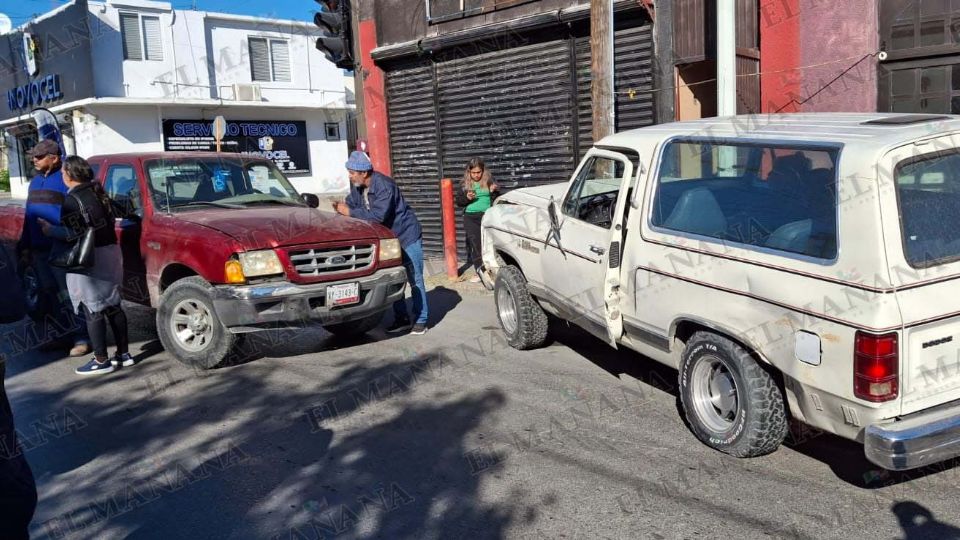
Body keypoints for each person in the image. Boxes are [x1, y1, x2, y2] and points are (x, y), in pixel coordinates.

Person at [38, 156, 134, 375]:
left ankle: (101, 360)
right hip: (111, 253)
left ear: (70, 174)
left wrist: (49, 230)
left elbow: (73, 233)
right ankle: (123, 354)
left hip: (89, 259)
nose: (62, 175)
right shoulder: (100, 193)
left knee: (92, 309)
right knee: (113, 305)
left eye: (63, 172)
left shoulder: (71, 200)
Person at [333, 151, 429, 335]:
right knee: (394, 278)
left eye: (352, 172)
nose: (350, 175)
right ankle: (401, 318)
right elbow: (351, 203)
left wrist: (350, 212)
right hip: (388, 241)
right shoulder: (358, 186)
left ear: (364, 172)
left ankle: (421, 319)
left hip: (406, 235)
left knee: (415, 278)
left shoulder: (384, 186)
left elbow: (378, 216)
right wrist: (342, 208)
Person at [17, 139, 91, 357]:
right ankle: (61, 335)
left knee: (69, 295)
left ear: (55, 158)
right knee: (50, 296)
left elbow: (78, 214)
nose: (34, 159)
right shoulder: (35, 181)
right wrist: (25, 245)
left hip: (61, 249)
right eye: (33, 156)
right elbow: (29, 216)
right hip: (39, 252)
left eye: (39, 156)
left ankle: (82, 337)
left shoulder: (66, 179)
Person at [454, 158, 499, 283]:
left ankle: (492, 270)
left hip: (487, 216)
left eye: (478, 172)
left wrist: (493, 192)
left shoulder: (489, 180)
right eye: (473, 173)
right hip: (471, 218)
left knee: (489, 244)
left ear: (483, 171)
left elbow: (498, 198)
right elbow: (459, 202)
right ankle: (480, 271)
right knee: (476, 245)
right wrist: (467, 198)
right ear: (469, 172)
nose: (476, 175)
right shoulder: (464, 184)